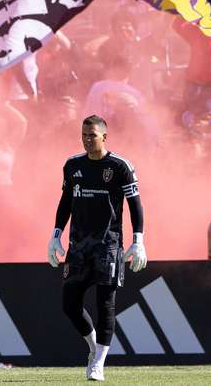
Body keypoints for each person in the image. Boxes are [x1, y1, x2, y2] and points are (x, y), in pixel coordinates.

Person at [48, 115, 145, 383]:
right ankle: (93, 348)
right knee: (70, 304)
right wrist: (56, 235)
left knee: (105, 304)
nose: (88, 140)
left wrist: (138, 240)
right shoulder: (72, 165)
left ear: (104, 136)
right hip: (78, 246)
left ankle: (98, 364)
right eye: (84, 135)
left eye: (92, 135)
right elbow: (65, 201)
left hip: (108, 245)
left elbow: (135, 205)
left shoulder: (120, 166)